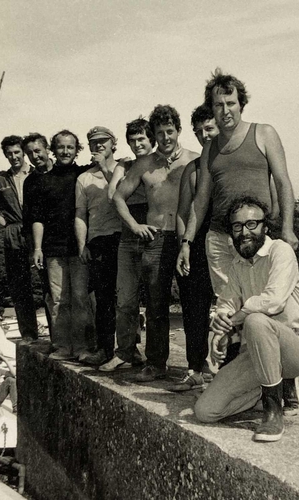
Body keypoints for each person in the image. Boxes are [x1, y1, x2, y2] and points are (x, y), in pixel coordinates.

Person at [194, 196, 299, 442]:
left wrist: (236, 319)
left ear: (265, 227)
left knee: (256, 320)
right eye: (237, 226)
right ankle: (265, 390)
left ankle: (273, 412)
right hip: (256, 355)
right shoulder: (237, 266)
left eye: (252, 224)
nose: (244, 232)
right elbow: (226, 302)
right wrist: (221, 326)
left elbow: (272, 301)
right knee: (205, 411)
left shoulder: (281, 251)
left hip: (294, 349)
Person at [177, 68, 298, 300]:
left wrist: (288, 229)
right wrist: (186, 242)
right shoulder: (209, 148)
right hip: (220, 240)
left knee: (260, 304)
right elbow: (200, 200)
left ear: (241, 104)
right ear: (211, 109)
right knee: (229, 309)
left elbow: (283, 183)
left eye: (231, 103)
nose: (225, 111)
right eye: (218, 105)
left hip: (254, 235)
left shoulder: (264, 134)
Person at [112, 105, 198, 382]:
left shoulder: (193, 160)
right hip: (157, 238)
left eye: (169, 131)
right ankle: (156, 363)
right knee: (156, 305)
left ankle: (196, 367)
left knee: (193, 304)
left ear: (178, 130)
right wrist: (135, 226)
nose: (165, 137)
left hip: (187, 238)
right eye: (159, 133)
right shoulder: (144, 164)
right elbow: (117, 197)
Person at [30, 129, 94, 361]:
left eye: (70, 147)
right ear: (52, 150)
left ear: (77, 150)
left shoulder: (84, 174)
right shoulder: (43, 181)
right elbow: (37, 218)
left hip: (79, 248)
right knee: (58, 299)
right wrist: (37, 248)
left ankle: (82, 347)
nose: (65, 151)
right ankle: (62, 347)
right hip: (53, 249)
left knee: (80, 298)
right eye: (61, 147)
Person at [169, 104, 219, 391]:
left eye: (209, 129)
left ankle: (228, 370)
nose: (204, 135)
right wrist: (182, 247)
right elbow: (182, 212)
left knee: (231, 308)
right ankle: (194, 368)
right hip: (195, 242)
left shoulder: (232, 160)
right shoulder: (193, 168)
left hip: (226, 241)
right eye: (199, 131)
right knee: (192, 307)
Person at [100, 118, 155, 372]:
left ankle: (155, 358)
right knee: (125, 299)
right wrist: (124, 175)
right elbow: (112, 195)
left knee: (155, 300)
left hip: (154, 235)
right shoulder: (125, 164)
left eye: (142, 138)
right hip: (128, 236)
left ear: (151, 139)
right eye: (132, 140)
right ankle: (125, 351)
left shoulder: (159, 162)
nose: (137, 144)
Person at [0, 135, 38, 341]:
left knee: (48, 284)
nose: (14, 157)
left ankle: (58, 337)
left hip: (38, 232)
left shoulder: (37, 174)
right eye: (9, 154)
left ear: (24, 152)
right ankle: (29, 335)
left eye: (17, 152)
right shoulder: (1, 180)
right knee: (20, 286)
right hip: (14, 234)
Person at [74, 127, 123, 365]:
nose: (98, 146)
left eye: (103, 141)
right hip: (98, 241)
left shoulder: (125, 170)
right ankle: (105, 349)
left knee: (126, 297)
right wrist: (83, 245)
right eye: (93, 143)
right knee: (103, 299)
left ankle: (128, 349)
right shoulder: (83, 178)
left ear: (114, 144)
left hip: (123, 239)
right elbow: (80, 215)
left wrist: (105, 168)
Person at [22, 133, 54, 335]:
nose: (34, 156)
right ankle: (57, 340)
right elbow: (32, 217)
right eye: (29, 153)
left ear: (47, 149)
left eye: (37, 151)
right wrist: (36, 248)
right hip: (44, 245)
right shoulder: (30, 182)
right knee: (50, 294)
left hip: (70, 244)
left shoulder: (65, 172)